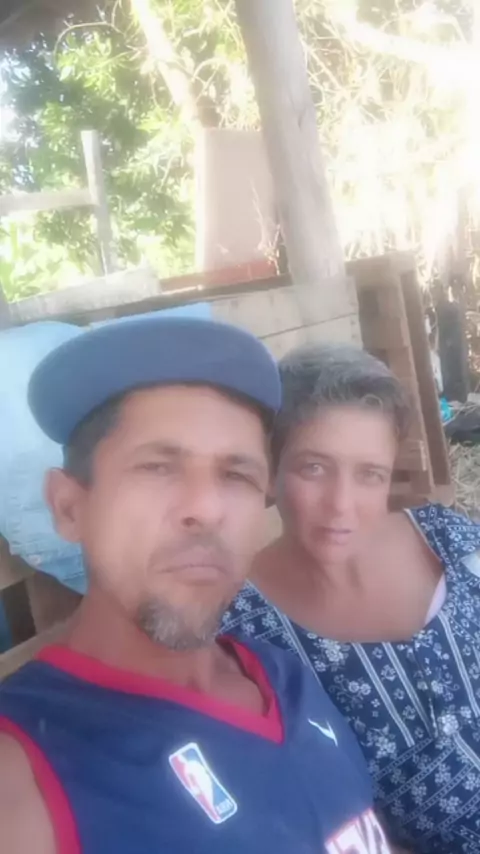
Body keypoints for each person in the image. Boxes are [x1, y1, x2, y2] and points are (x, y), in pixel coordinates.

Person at [0, 317, 393, 854]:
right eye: (157, 467)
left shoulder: (285, 678)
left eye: (236, 475)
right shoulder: (26, 775)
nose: (207, 509)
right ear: (70, 508)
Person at [223, 342, 480, 854]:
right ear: (272, 467)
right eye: (314, 468)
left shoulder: (449, 543)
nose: (341, 505)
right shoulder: (243, 629)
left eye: (369, 474)